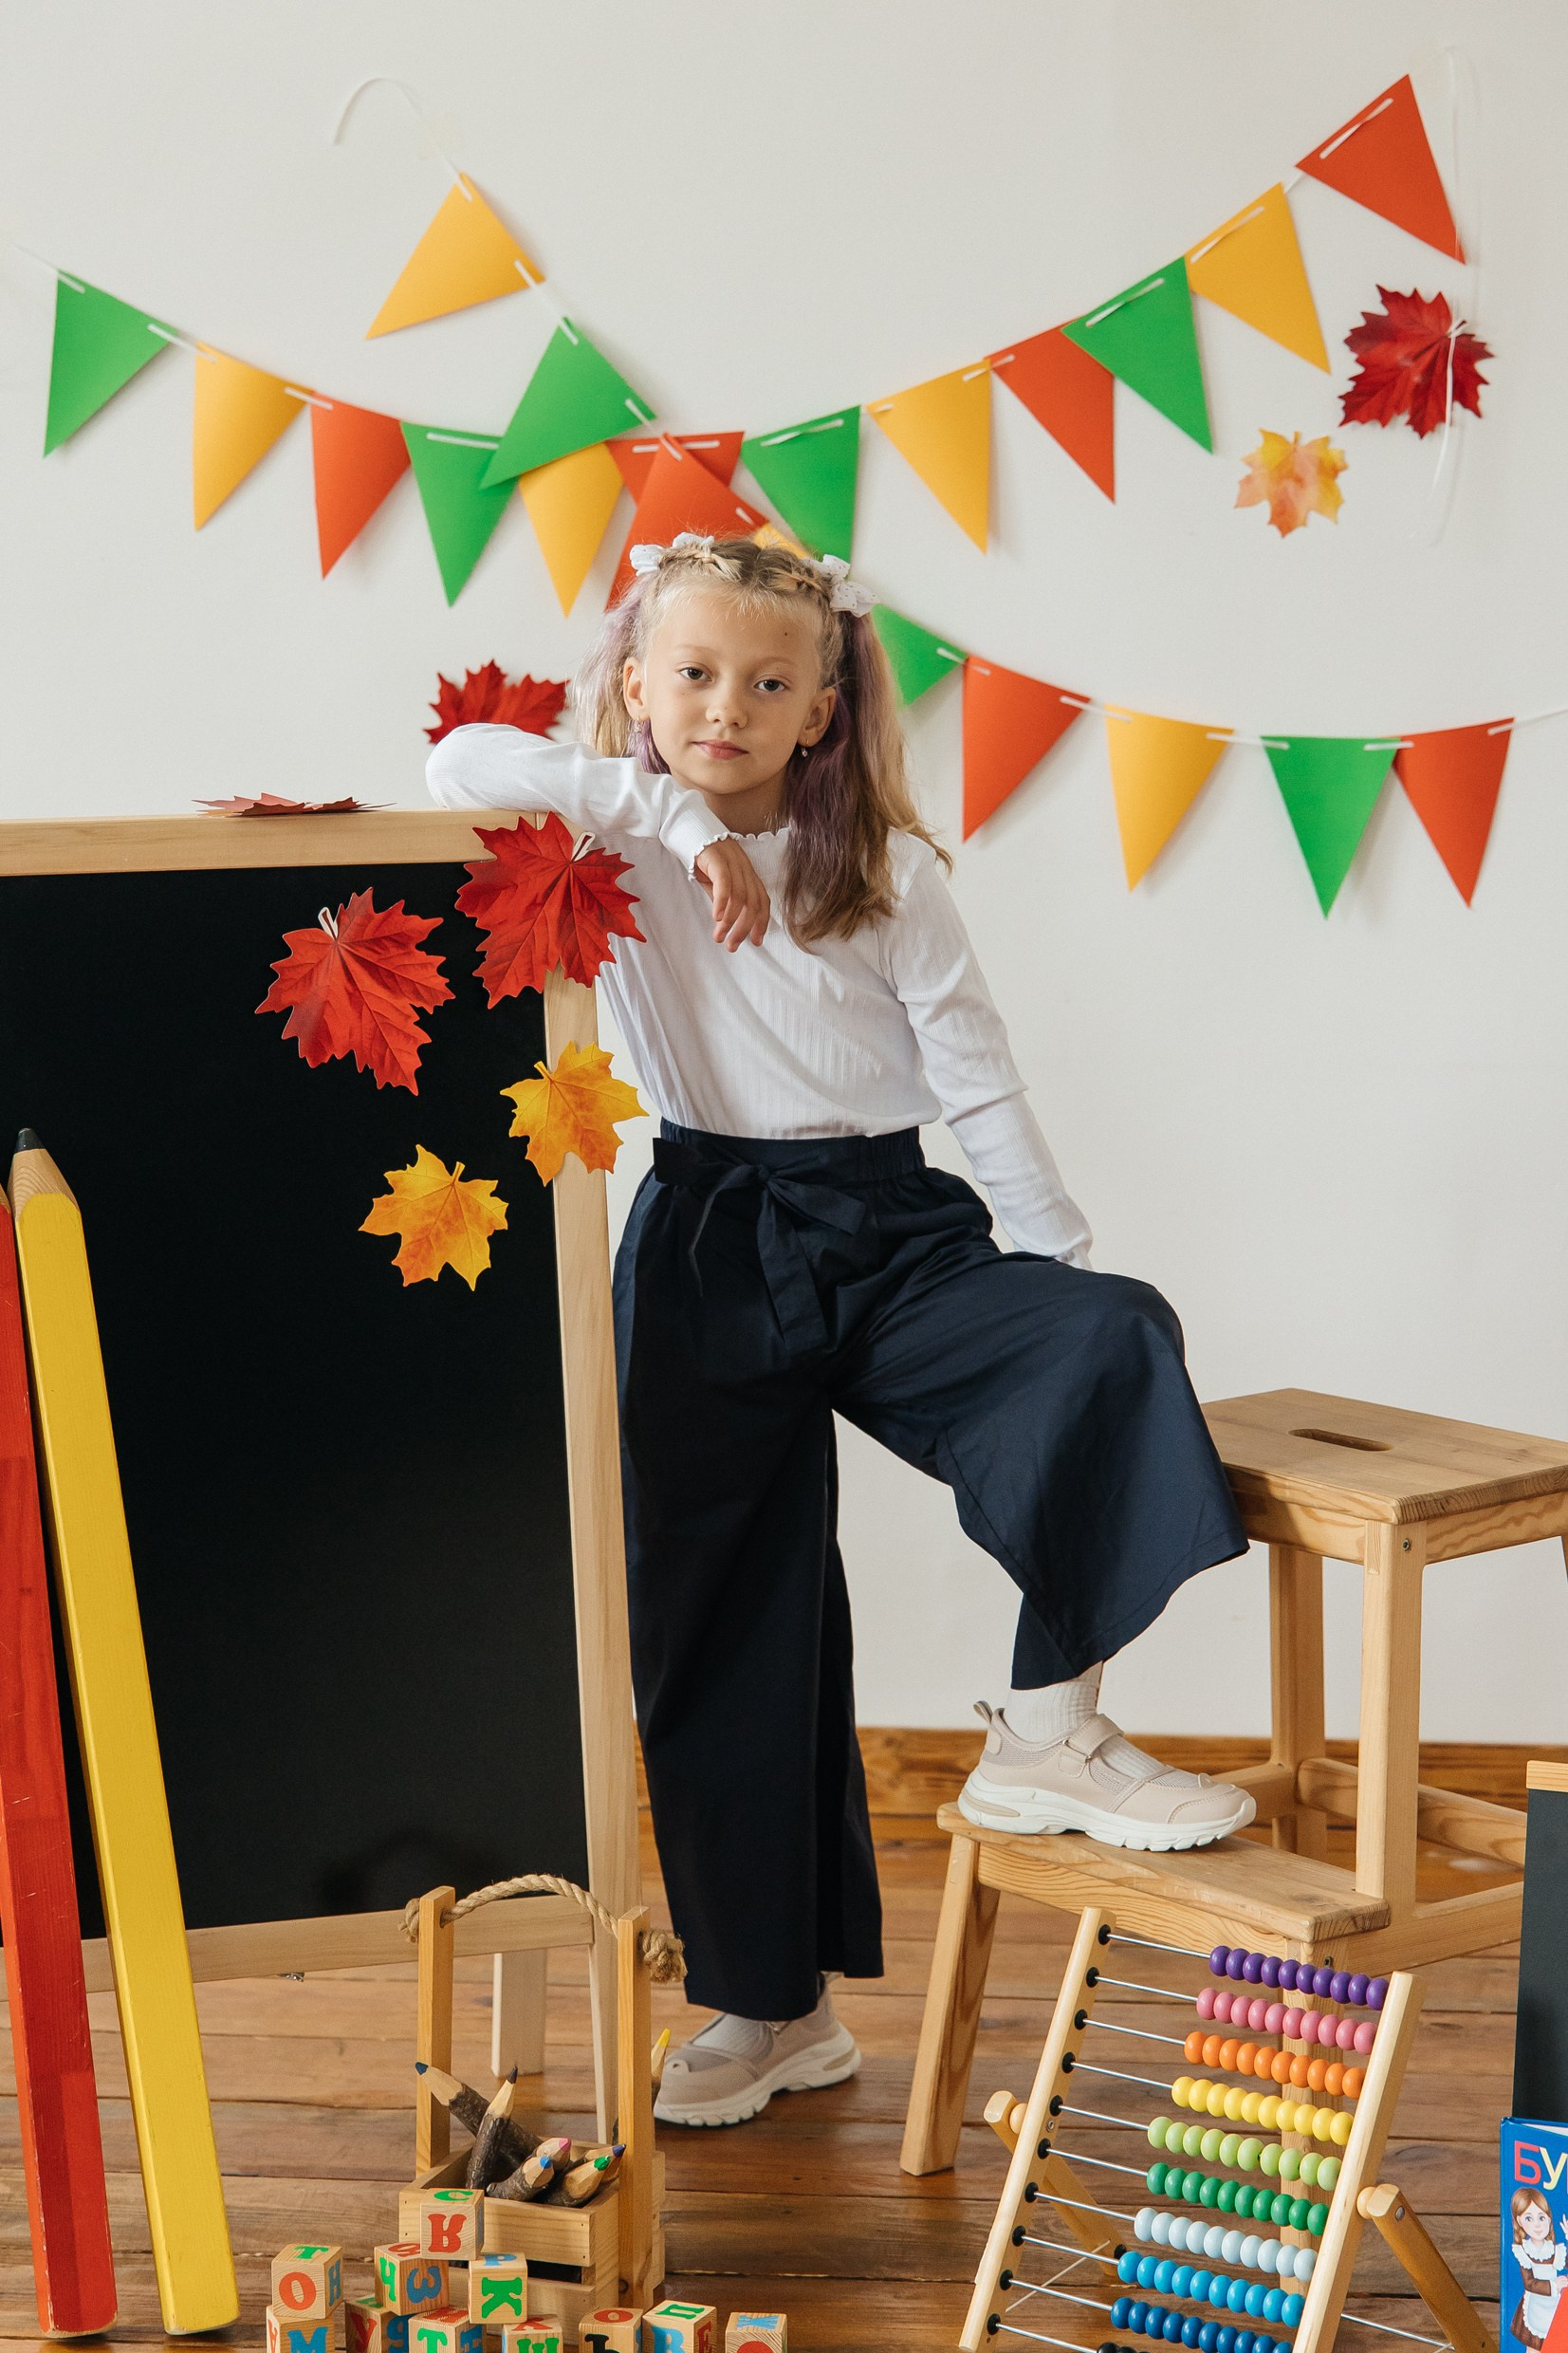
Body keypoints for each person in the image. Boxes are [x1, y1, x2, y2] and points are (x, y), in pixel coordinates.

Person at [427, 531, 1251, 2129]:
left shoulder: (885, 875)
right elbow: (453, 755)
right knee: (723, 1621)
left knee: (1107, 1338)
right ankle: (772, 2009)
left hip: (884, 1228)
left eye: (764, 684)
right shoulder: (610, 837)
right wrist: (673, 818)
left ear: (820, 711)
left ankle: (1047, 1724)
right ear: (634, 684)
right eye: (690, 674)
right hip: (703, 1240)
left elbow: (979, 1086)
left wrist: (1057, 1274)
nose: (721, 708)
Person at [1510, 2186, 1567, 2349]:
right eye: (1529, 2218)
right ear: (1520, 2221)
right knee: (1534, 2348)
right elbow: (1529, 2283)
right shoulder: (1524, 2251)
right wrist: (1554, 2285)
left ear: (1549, 2219)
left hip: (1553, 2308)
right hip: (1535, 2308)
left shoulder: (1554, 2250)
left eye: (1541, 2218)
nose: (1537, 2225)